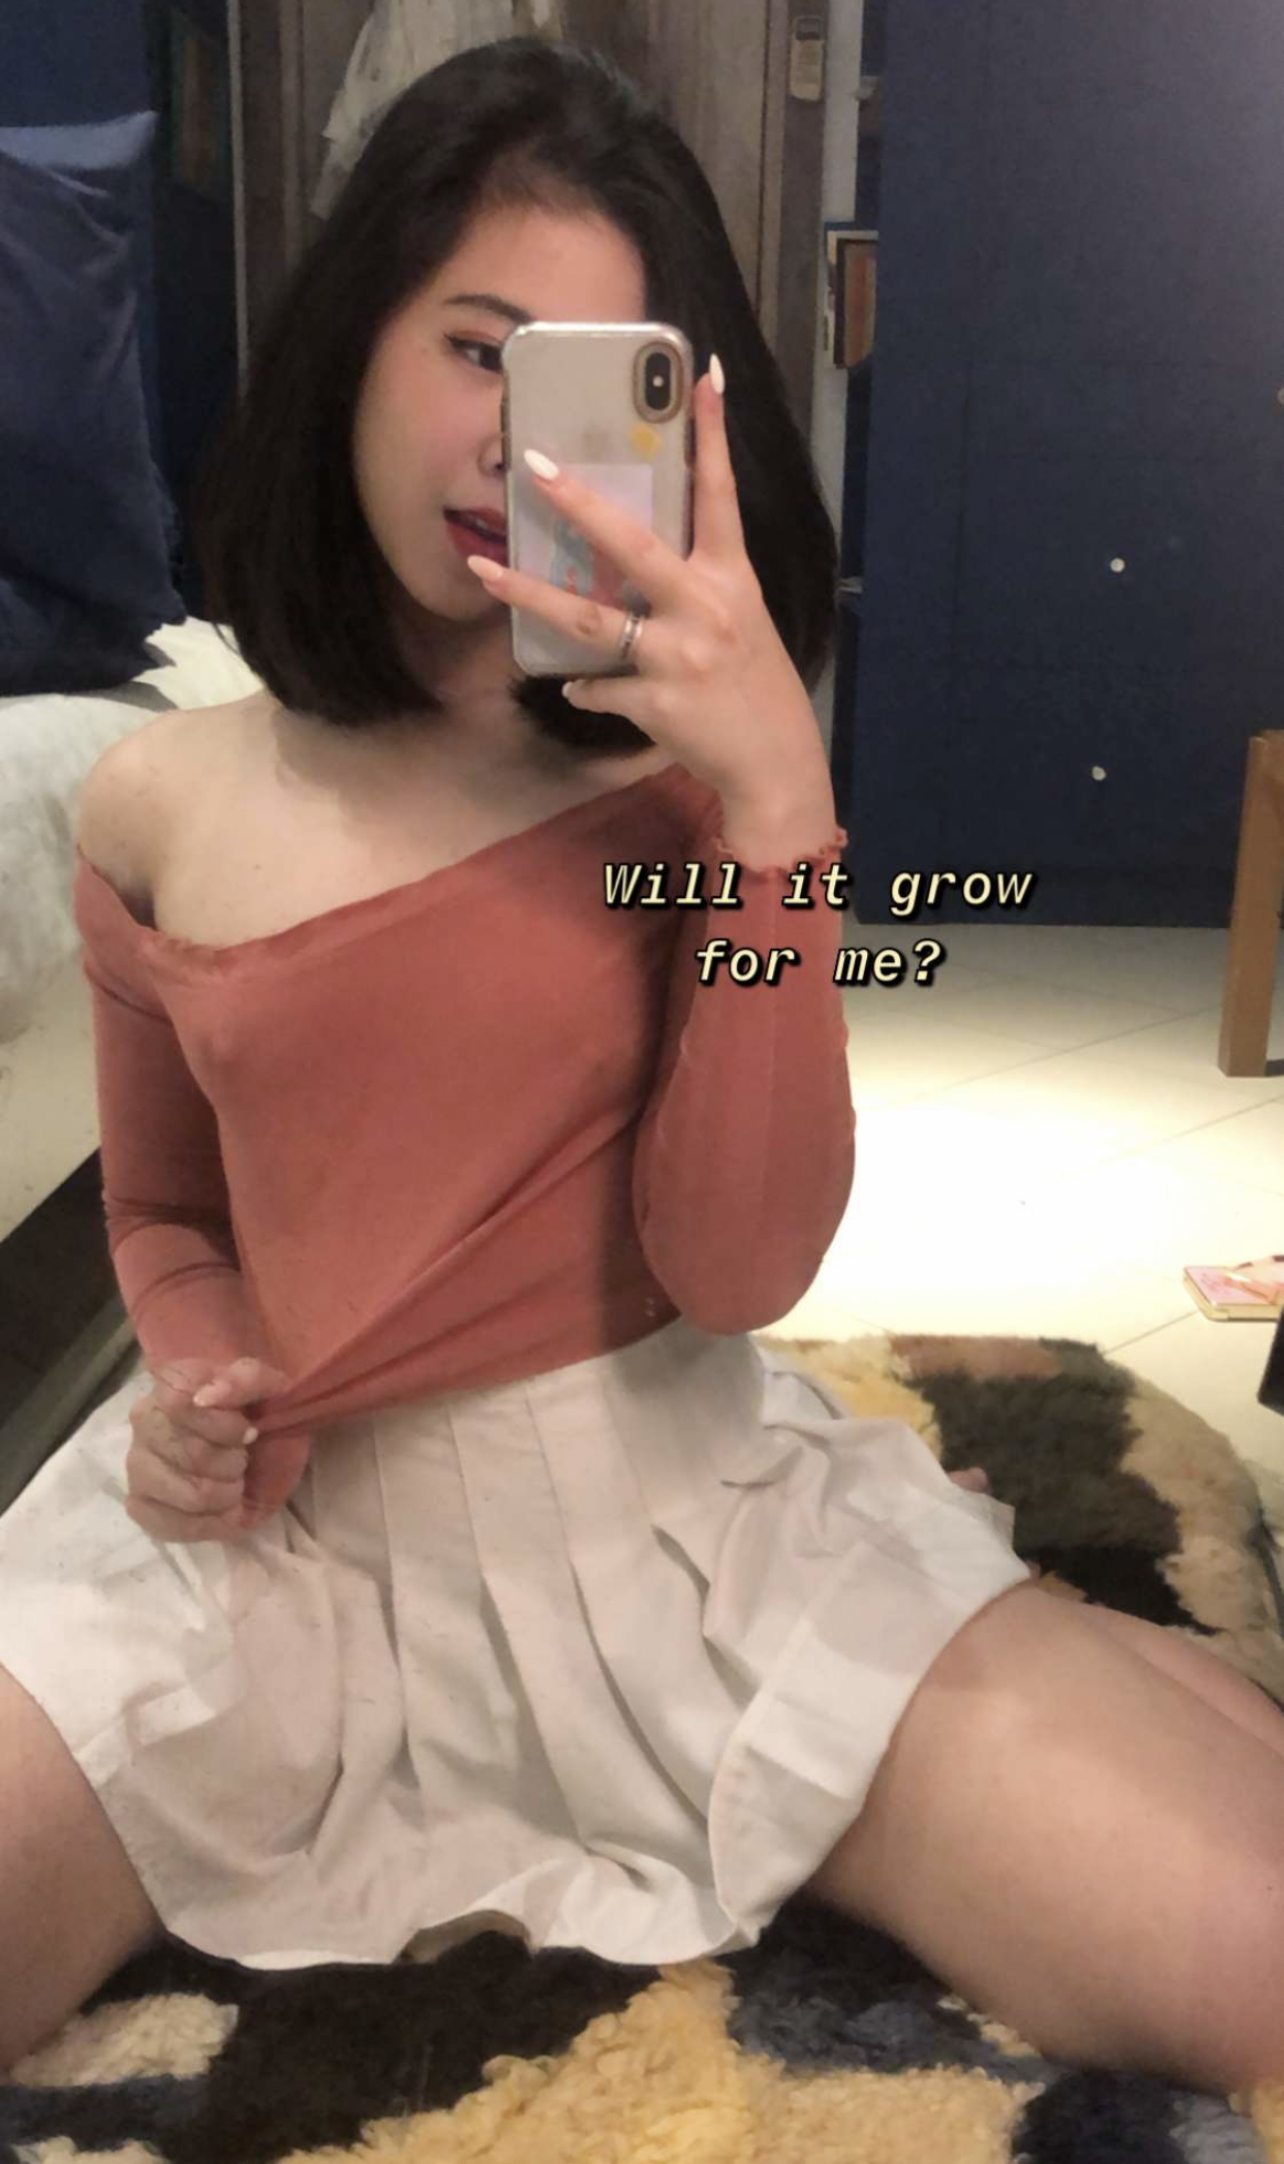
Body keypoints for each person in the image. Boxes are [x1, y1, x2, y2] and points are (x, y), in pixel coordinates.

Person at [1, 37, 1282, 2099]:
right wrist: (203, 1382)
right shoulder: (158, 797)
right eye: (478, 348)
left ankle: (1032, 1639)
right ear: (353, 341)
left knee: (1252, 1951)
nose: (524, 438)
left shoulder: (681, 792)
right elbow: (160, 1207)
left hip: (663, 1536)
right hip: (267, 1566)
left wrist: (777, 817)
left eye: (607, 383)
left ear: (689, 427)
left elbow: (741, 1257)